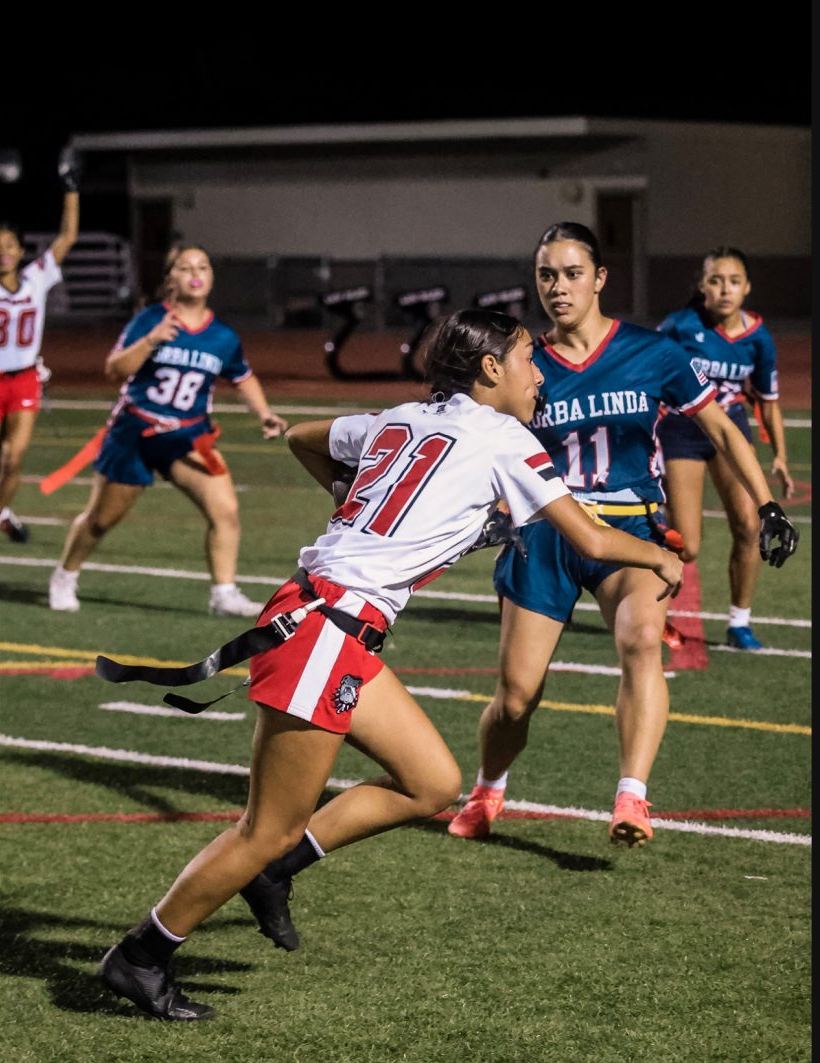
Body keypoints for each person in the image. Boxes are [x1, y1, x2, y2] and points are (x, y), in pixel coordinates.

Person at [96, 307, 686, 1020]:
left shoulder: (404, 417)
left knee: (431, 782)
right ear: (491, 369)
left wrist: (355, 505)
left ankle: (279, 872)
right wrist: (659, 554)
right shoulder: (503, 435)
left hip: (331, 622)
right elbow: (590, 539)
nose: (540, 372)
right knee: (265, 827)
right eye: (530, 358)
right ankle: (141, 955)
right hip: (325, 627)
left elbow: (308, 441)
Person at [446, 222, 798, 847]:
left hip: (630, 527)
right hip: (548, 530)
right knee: (516, 697)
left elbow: (720, 427)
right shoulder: (523, 363)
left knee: (642, 639)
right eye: (547, 275)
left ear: (600, 278)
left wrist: (766, 503)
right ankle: (488, 786)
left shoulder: (652, 351)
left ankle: (632, 797)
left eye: (573, 273)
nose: (559, 287)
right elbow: (476, 439)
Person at [48, 243, 288, 617]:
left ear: (211, 277)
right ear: (170, 279)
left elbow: (242, 376)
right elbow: (115, 370)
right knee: (100, 520)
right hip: (136, 433)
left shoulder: (222, 336)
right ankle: (65, 575)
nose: (195, 273)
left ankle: (223, 594)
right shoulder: (150, 320)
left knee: (225, 511)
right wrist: (152, 339)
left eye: (203, 267)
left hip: (188, 437)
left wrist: (264, 413)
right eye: (185, 267)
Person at [656, 247, 794, 650]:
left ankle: (740, 623)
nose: (725, 289)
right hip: (682, 430)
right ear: (702, 286)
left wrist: (780, 455)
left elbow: (768, 401)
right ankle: (652, 612)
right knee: (688, 544)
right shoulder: (679, 326)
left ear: (747, 287)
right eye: (715, 281)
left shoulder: (759, 338)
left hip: (730, 430)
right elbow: (644, 374)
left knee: (751, 526)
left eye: (734, 281)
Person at [0, 158, 79, 543]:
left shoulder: (34, 278)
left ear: (19, 248)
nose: (3, 253)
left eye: (9, 246)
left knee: (14, 459)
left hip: (24, 379)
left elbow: (67, 238)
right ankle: (4, 515)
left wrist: (71, 189)